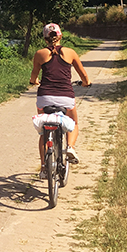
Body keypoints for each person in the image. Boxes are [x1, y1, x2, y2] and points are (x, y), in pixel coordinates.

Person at [30, 23, 90, 175]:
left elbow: (34, 76)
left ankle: (44, 167)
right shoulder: (70, 52)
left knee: (44, 133)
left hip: (44, 97)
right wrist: (86, 83)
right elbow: (83, 75)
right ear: (60, 36)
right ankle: (70, 147)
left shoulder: (39, 54)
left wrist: (35, 81)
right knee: (74, 123)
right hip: (65, 96)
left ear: (45, 39)